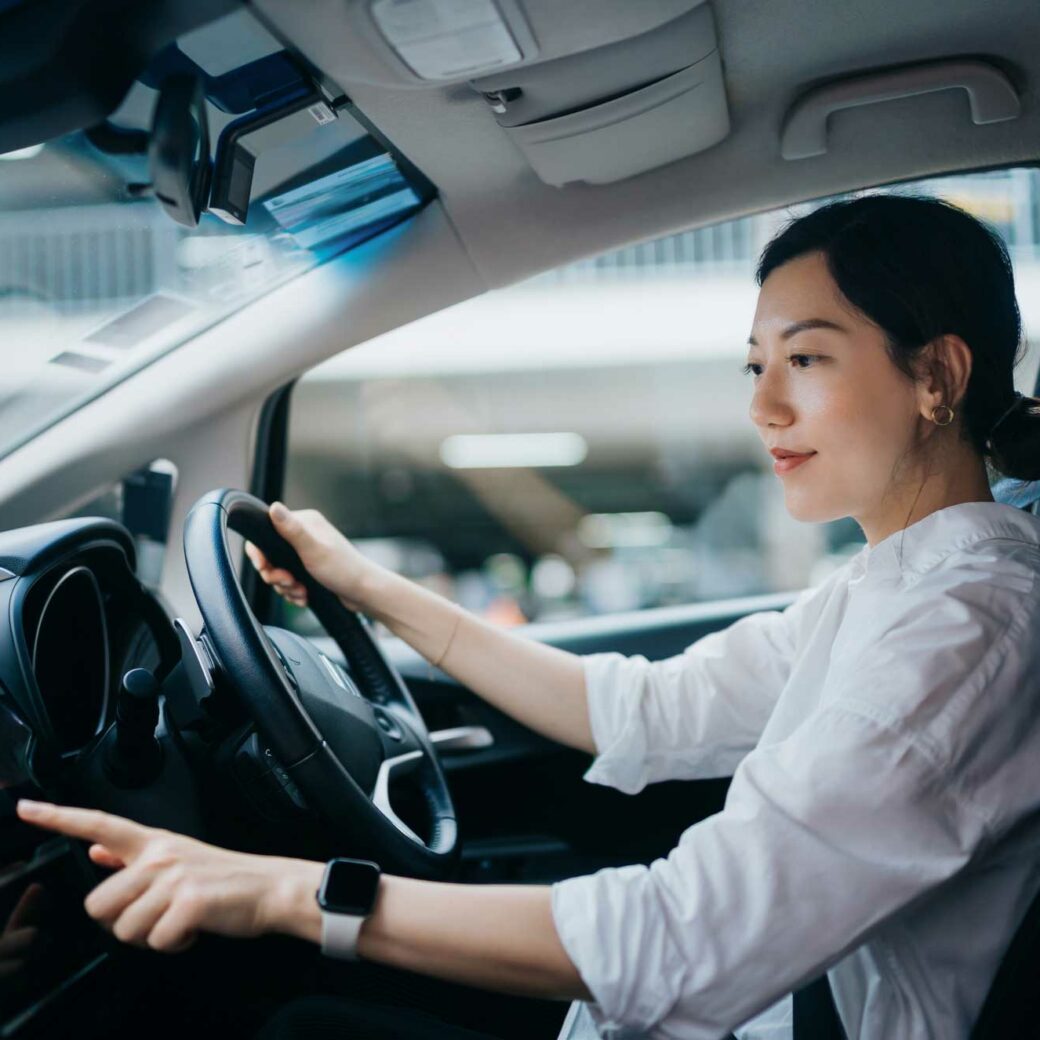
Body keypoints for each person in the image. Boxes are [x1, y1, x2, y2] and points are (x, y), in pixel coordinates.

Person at [17, 194, 1040, 1040]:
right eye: (753, 363)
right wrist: (362, 583)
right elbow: (640, 707)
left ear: (935, 375)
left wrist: (281, 891)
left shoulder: (962, 634)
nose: (761, 405)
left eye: (805, 359)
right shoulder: (888, 587)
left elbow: (686, 938)